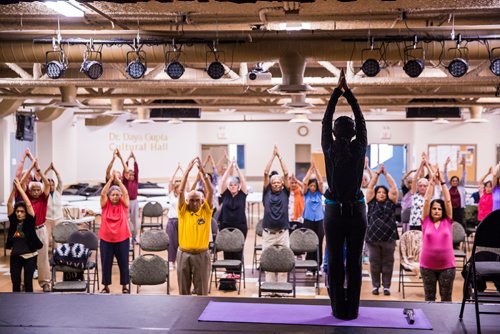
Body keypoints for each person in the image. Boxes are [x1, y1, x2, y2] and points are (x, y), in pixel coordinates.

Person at [321, 69, 367, 320]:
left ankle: (338, 309)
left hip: (334, 212)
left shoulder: (328, 147)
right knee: (355, 262)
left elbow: (324, 121)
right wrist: (347, 93)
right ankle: (352, 310)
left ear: (335, 132)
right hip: (356, 210)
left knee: (337, 262)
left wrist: (335, 94)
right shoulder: (359, 147)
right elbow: (362, 121)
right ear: (351, 132)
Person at [177, 157, 214, 295]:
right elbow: (180, 192)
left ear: (202, 201)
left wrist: (203, 174)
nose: (194, 203)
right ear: (187, 201)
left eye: (197, 200)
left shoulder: (206, 211)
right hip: (183, 254)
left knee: (202, 291)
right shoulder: (183, 211)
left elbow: (210, 191)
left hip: (201, 255)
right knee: (183, 290)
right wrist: (186, 171)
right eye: (191, 200)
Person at [420, 168, 455, 302]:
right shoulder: (426, 221)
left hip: (447, 267)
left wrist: (442, 182)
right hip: (427, 267)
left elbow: (447, 201)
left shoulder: (448, 221)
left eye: (439, 209)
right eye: (434, 208)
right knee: (429, 299)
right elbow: (427, 200)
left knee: (446, 299)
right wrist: (431, 183)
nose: (436, 211)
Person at [364, 164, 399, 296]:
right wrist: (377, 174)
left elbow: (394, 188)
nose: (381, 194)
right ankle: (375, 286)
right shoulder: (371, 202)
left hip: (389, 238)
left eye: (384, 192)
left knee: (388, 263)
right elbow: (370, 187)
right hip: (372, 239)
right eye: (379, 192)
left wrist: (386, 174)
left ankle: (387, 287)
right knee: (374, 263)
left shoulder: (391, 203)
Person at [6, 178, 43, 292]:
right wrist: (13, 190)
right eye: (17, 211)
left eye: (22, 212)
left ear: (26, 213)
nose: (19, 213)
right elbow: (9, 203)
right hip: (15, 256)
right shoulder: (13, 222)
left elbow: (28, 203)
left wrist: (21, 190)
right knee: (15, 283)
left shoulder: (29, 221)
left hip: (29, 256)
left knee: (28, 283)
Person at [21, 158, 51, 292]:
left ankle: (45, 282)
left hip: (41, 230)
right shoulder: (26, 197)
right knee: (25, 256)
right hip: (27, 231)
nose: (36, 191)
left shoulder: (43, 199)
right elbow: (21, 184)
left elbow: (47, 184)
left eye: (38, 189)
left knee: (43, 258)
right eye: (33, 189)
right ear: (29, 190)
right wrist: (30, 168)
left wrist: (38, 169)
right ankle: (23, 283)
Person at [99, 171, 131, 294]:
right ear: (109, 196)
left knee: (123, 263)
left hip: (122, 239)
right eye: (113, 195)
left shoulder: (124, 205)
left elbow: (126, 193)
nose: (115, 197)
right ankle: (106, 286)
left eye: (118, 195)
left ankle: (125, 286)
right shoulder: (105, 204)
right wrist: (110, 180)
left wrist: (119, 181)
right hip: (106, 240)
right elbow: (103, 193)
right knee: (106, 263)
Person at [262, 145, 290, 283]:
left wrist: (280, 156)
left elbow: (286, 173)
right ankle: (269, 289)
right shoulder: (266, 193)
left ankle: (283, 289)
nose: (277, 183)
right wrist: (272, 156)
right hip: (268, 235)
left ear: (282, 184)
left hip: (283, 234)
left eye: (279, 182)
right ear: (271, 184)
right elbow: (266, 173)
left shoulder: (285, 192)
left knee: (284, 261)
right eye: (274, 182)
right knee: (268, 262)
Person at [219, 158, 248, 277]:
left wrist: (237, 168)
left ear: (238, 186)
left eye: (235, 185)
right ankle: (228, 273)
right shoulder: (225, 194)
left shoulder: (242, 194)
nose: (232, 186)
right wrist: (229, 166)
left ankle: (236, 273)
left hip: (240, 226)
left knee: (237, 250)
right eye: (230, 185)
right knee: (227, 250)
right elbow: (222, 181)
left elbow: (243, 180)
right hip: (226, 225)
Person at [302, 161, 325, 277]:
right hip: (308, 220)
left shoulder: (320, 194)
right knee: (309, 244)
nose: (312, 187)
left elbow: (321, 181)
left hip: (319, 221)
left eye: (314, 186)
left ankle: (318, 266)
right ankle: (309, 268)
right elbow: (304, 182)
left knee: (319, 243)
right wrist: (310, 171)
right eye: (311, 186)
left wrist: (316, 170)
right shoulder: (306, 194)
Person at [166, 163, 184, 270]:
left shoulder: (185, 194)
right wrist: (177, 169)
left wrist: (183, 171)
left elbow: (188, 184)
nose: (179, 188)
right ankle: (171, 262)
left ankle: (179, 261)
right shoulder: (172, 195)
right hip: (172, 221)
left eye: (181, 187)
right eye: (177, 187)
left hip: (182, 221)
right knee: (172, 242)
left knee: (181, 242)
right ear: (175, 188)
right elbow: (170, 181)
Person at [408, 154, 431, 231]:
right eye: (420, 185)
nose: (422, 187)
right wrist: (421, 165)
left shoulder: (429, 195)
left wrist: (427, 165)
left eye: (424, 186)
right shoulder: (414, 194)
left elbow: (432, 178)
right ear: (417, 186)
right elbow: (414, 180)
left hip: (426, 222)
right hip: (414, 223)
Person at [444, 156, 467, 229]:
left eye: (456, 181)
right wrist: (446, 165)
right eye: (453, 181)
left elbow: (464, 176)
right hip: (450, 208)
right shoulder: (448, 186)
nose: (455, 182)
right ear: (450, 182)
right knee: (450, 223)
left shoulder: (461, 186)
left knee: (459, 224)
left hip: (459, 209)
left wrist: (464, 165)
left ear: (458, 182)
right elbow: (445, 176)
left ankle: (458, 237)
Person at [44, 162, 63, 245]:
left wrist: (54, 170)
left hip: (58, 219)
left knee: (57, 241)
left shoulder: (58, 192)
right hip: (47, 219)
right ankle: (46, 257)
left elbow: (60, 180)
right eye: (49, 185)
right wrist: (48, 169)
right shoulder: (44, 194)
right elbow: (42, 178)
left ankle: (57, 257)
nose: (51, 186)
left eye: (52, 185)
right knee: (46, 240)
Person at [122, 151, 139, 242]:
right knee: (125, 219)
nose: (131, 176)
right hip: (126, 201)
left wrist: (134, 159)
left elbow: (136, 170)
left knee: (134, 221)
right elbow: (125, 170)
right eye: (130, 174)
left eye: (133, 175)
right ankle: (126, 236)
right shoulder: (125, 181)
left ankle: (134, 237)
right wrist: (128, 160)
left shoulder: (135, 181)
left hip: (134, 202)